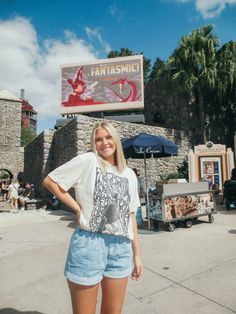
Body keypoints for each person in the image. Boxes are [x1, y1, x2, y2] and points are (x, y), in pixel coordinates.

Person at [43, 121, 143, 314]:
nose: (104, 143)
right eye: (98, 139)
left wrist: (137, 255)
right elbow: (50, 181)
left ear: (116, 140)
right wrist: (77, 209)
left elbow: (130, 215)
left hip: (121, 247)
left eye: (108, 137)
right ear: (93, 143)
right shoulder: (88, 161)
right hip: (90, 243)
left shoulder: (129, 174)